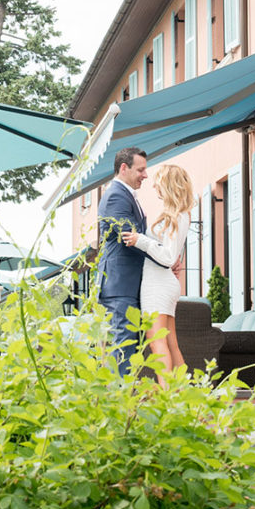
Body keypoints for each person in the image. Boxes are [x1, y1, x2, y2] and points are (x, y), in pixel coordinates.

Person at [122, 164, 194, 379]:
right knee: (170, 342)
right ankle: (181, 392)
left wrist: (140, 240)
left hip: (158, 286)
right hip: (162, 283)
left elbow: (169, 257)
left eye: (158, 182)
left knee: (156, 341)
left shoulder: (178, 216)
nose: (154, 186)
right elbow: (172, 255)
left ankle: (166, 394)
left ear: (169, 185)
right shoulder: (177, 215)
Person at [94, 146, 148, 376]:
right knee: (123, 345)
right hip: (120, 285)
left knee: (124, 343)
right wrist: (163, 253)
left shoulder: (124, 194)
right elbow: (130, 235)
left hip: (124, 283)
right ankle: (121, 402)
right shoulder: (116, 195)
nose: (145, 175)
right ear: (124, 168)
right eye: (141, 170)